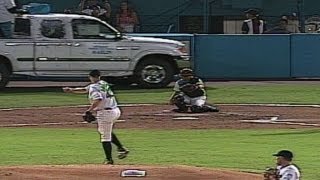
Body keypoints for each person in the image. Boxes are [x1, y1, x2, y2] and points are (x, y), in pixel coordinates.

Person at [62, 70, 129, 165]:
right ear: (99, 76)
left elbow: (98, 99)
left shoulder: (94, 87)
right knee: (106, 131)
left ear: (91, 77)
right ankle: (121, 148)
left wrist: (89, 110)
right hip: (116, 110)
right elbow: (85, 89)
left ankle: (109, 160)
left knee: (105, 136)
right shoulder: (103, 83)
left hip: (106, 113)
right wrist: (71, 90)